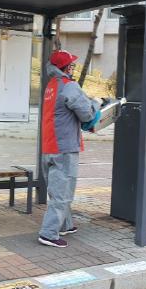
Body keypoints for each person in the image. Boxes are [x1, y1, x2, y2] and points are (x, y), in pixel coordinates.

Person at [38, 50, 100, 248]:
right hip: (64, 147)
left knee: (57, 191)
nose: (73, 67)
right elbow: (87, 114)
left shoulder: (51, 86)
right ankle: (48, 234)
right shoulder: (69, 86)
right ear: (65, 68)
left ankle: (65, 225)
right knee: (63, 192)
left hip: (48, 146)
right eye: (71, 65)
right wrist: (97, 103)